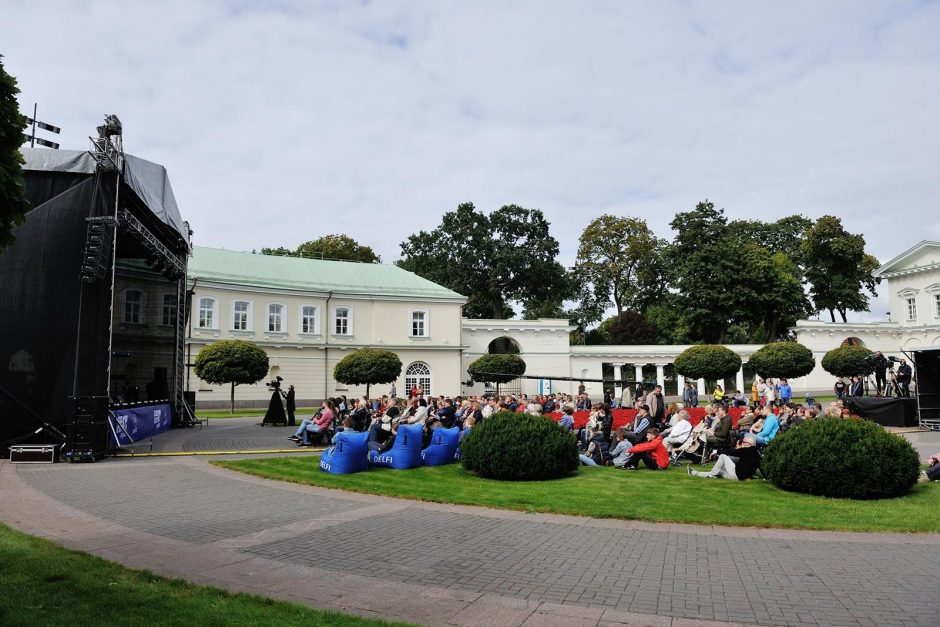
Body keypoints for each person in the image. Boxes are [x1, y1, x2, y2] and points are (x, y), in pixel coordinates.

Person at [688, 436, 761, 480]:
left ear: (749, 444)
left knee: (723, 456)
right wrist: (766, 477)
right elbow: (760, 467)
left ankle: (712, 475)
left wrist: (717, 451)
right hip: (740, 477)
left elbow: (730, 452)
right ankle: (694, 473)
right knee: (718, 471)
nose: (742, 443)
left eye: (743, 442)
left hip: (736, 474)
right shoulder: (757, 454)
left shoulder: (745, 450)